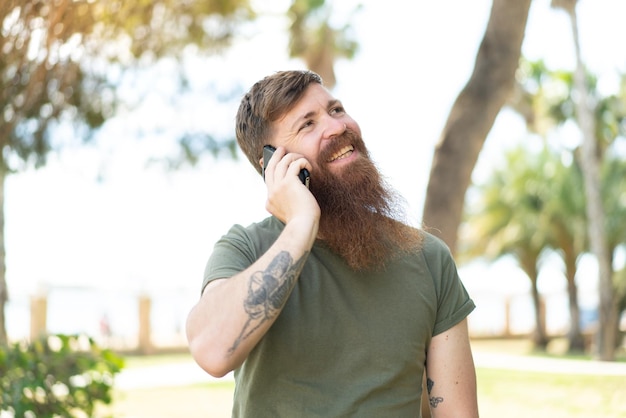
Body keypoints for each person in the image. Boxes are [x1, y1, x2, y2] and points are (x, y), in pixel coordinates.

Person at [186, 70, 479, 417]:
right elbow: (213, 352)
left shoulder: (429, 259)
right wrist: (301, 225)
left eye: (336, 109)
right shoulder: (246, 249)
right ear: (274, 164)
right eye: (307, 124)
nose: (337, 127)